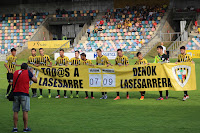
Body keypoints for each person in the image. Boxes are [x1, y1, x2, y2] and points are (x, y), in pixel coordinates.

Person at [12, 63, 37, 132]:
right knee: (25, 111)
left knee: (15, 111)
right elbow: (35, 80)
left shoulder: (16, 72)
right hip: (24, 93)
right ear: (27, 68)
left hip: (15, 93)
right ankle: (25, 128)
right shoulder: (28, 72)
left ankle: (15, 128)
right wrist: (32, 73)